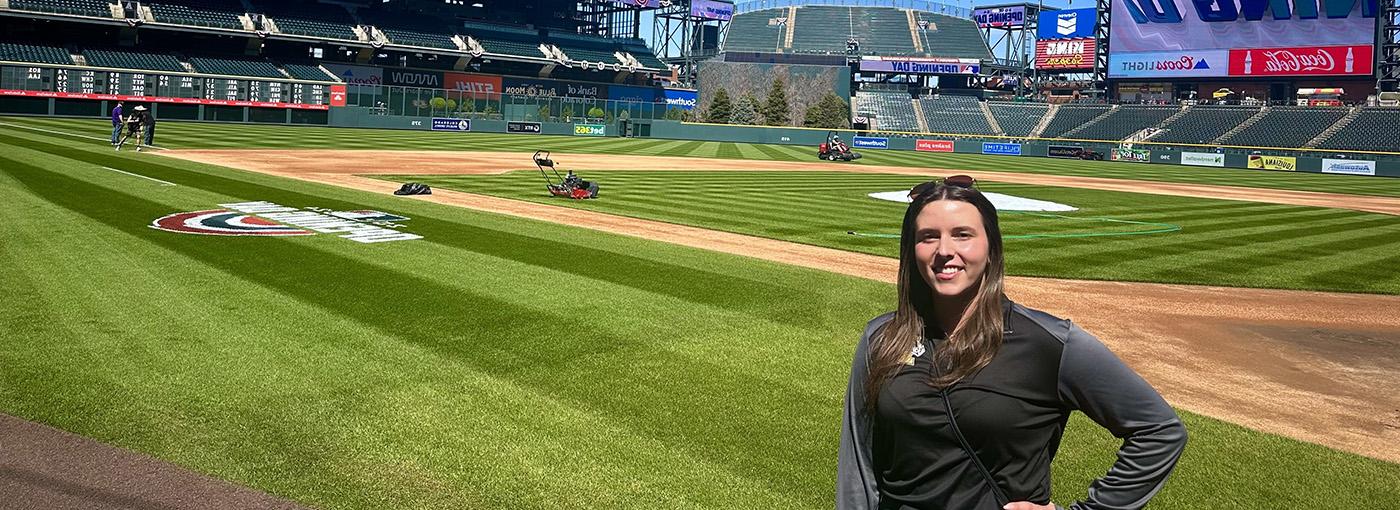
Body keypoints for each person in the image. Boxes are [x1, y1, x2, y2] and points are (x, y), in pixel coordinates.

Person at [838, 176, 1186, 510]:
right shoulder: (882, 338)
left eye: (962, 235)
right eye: (928, 237)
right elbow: (859, 465)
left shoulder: (1047, 342)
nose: (944, 251)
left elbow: (1159, 432)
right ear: (911, 249)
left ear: (990, 247)